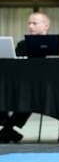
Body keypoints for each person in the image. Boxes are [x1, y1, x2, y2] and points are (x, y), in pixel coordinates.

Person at [0, 12, 51, 143]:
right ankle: (8, 128)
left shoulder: (52, 44)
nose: (31, 26)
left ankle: (7, 129)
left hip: (41, 86)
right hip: (21, 83)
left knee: (29, 96)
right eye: (29, 23)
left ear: (46, 26)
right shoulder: (22, 44)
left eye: (34, 23)